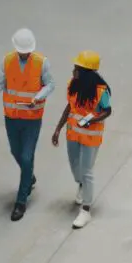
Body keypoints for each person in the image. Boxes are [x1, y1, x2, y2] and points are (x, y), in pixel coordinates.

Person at [0, 28, 55, 221]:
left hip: (32, 118)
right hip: (12, 117)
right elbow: (0, 83)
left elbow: (50, 85)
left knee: (26, 155)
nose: (24, 54)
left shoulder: (41, 63)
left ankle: (21, 201)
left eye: (27, 51)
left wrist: (38, 96)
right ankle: (28, 176)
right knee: (16, 153)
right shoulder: (7, 61)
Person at [51, 50, 112, 229]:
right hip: (73, 135)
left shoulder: (101, 91)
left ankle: (86, 210)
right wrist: (57, 129)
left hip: (90, 138)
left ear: (85, 72)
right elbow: (69, 107)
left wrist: (92, 120)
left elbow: (107, 110)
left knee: (86, 171)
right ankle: (81, 185)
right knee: (75, 168)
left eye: (76, 68)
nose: (73, 70)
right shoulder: (73, 84)